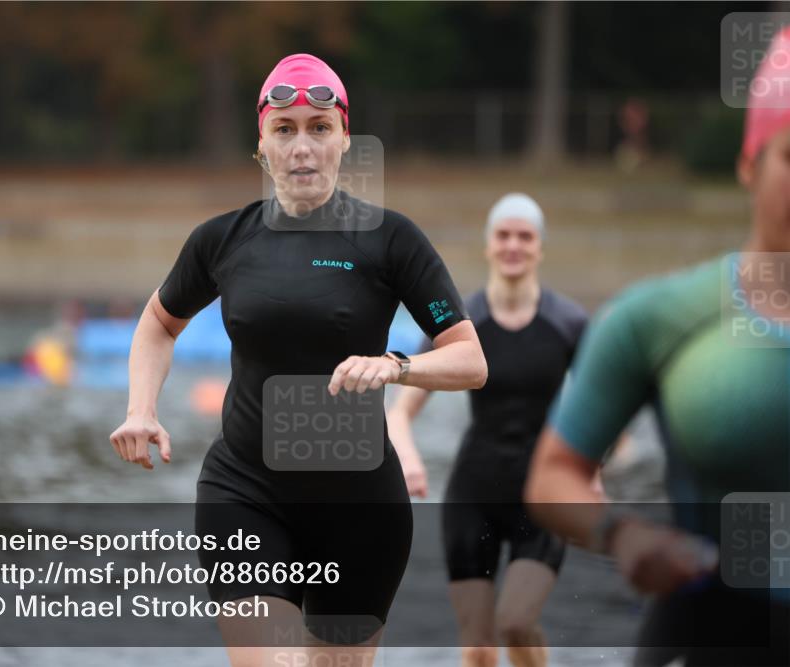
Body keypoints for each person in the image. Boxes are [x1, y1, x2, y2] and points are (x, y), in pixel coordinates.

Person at [109, 53, 487, 667]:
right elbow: (158, 323)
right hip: (245, 491)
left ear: (344, 138)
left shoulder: (391, 240)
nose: (302, 147)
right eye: (284, 129)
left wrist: (396, 364)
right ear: (262, 144)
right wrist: (140, 408)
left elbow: (471, 360)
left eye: (318, 128)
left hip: (361, 508)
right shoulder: (222, 240)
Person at [525, 27, 790, 667]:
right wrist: (622, 533)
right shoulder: (662, 316)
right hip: (716, 634)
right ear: (750, 166)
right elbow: (553, 475)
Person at [387, 193, 587, 667]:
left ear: (539, 247)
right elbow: (399, 412)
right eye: (503, 235)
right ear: (488, 246)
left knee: (516, 622)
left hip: (542, 495)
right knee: (478, 648)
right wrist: (409, 459)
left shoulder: (570, 324)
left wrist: (590, 468)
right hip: (473, 494)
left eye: (525, 236)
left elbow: (602, 414)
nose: (513, 245)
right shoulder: (462, 326)